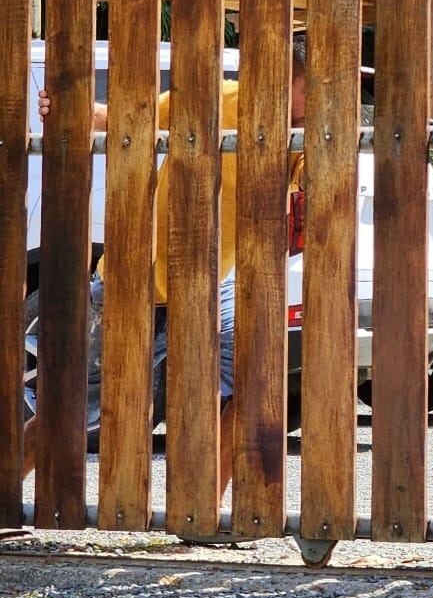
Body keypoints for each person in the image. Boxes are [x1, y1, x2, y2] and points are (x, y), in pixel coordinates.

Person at [24, 34, 309, 508]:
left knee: (254, 377)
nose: (318, 103)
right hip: (138, 279)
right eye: (312, 91)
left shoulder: (298, 133)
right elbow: (124, 120)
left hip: (211, 283)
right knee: (72, 406)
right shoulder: (213, 98)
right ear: (289, 81)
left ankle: (205, 511)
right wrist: (68, 108)